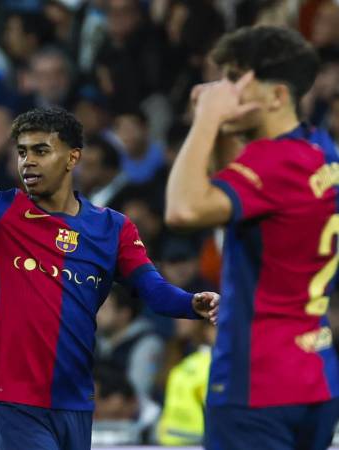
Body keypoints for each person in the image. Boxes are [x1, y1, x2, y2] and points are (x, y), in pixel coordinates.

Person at [0, 70, 218, 450]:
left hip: (75, 399)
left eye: (41, 151)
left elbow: (153, 291)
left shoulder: (113, 228)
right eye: (22, 151)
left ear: (72, 157)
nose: (27, 161)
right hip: (15, 397)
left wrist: (192, 303)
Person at [165, 26, 339, 450]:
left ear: (277, 96)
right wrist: (224, 127)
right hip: (314, 375)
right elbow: (237, 198)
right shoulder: (319, 151)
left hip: (255, 383)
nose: (222, 91)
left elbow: (183, 209)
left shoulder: (273, 163)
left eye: (235, 79)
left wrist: (205, 119)